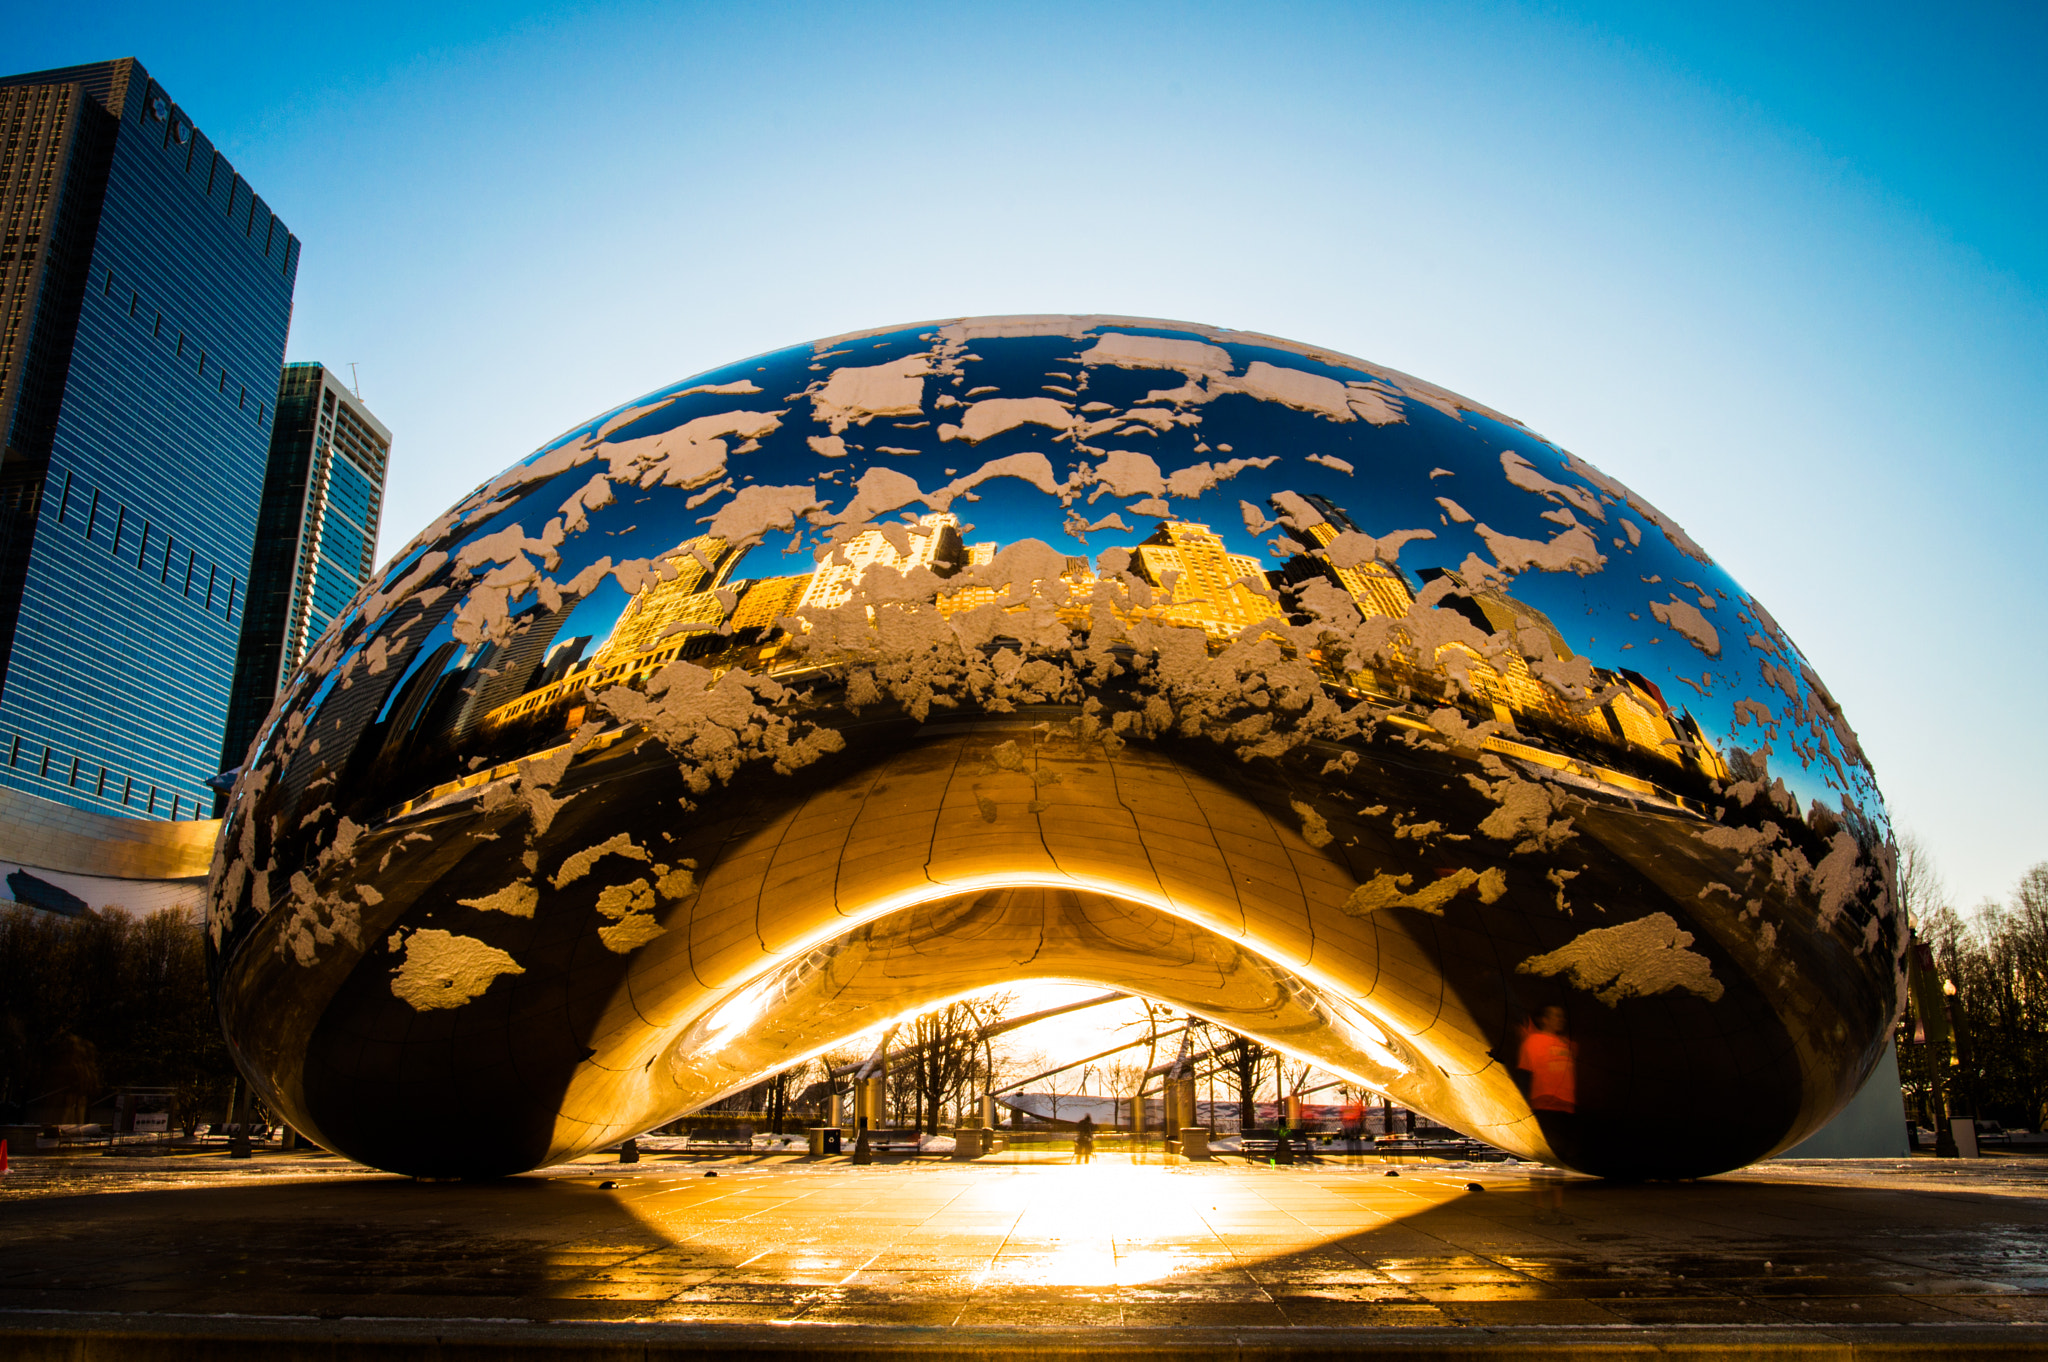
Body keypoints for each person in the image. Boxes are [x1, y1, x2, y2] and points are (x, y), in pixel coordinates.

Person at [1516, 1005, 1577, 1224]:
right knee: (1543, 1160)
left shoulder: (1565, 1044)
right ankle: (1540, 1208)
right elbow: (1525, 1074)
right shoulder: (1533, 1041)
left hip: (1564, 1107)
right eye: (1555, 1015)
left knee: (1559, 1159)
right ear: (1544, 1019)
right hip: (1544, 1105)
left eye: (1561, 1015)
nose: (1560, 1019)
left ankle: (1557, 1209)